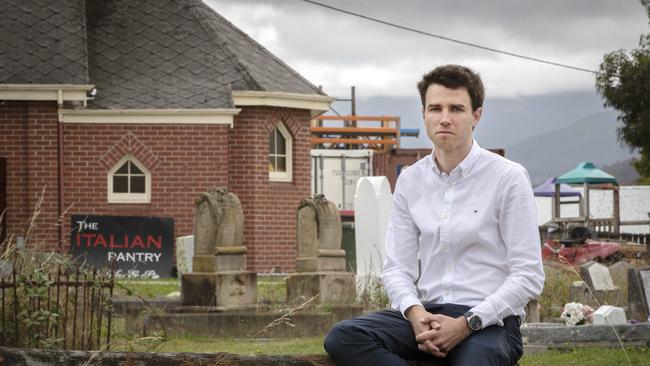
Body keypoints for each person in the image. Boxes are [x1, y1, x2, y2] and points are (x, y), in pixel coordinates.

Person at [324, 64, 545, 366]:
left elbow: (528, 275)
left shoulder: (508, 177)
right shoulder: (410, 180)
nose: (444, 119)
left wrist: (467, 323)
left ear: (476, 115)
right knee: (344, 337)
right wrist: (415, 313)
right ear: (424, 113)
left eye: (456, 109)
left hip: (490, 322)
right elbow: (396, 269)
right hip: (426, 315)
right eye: (435, 108)